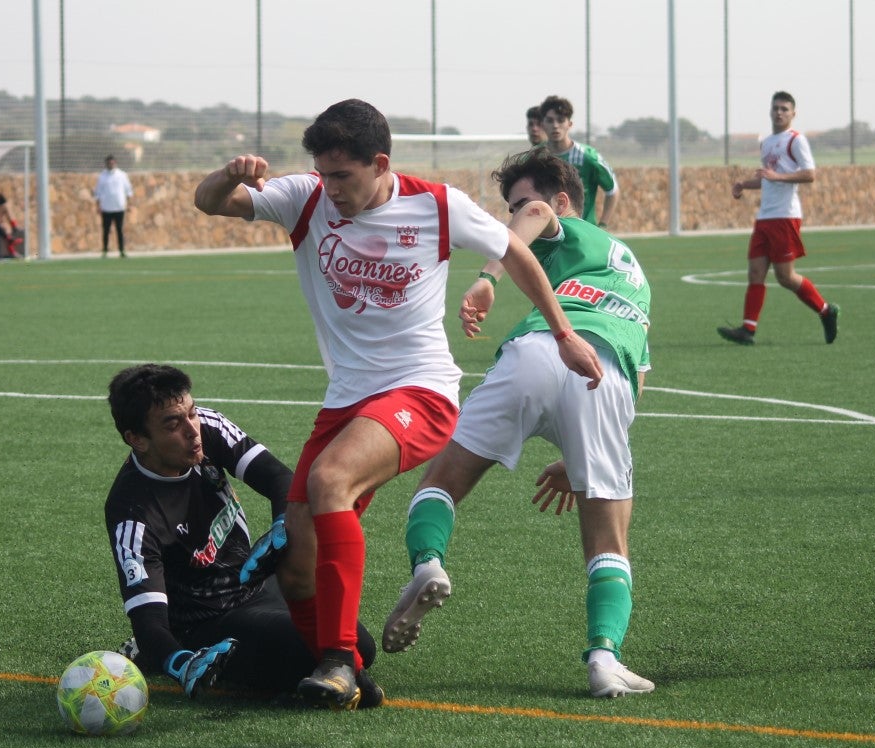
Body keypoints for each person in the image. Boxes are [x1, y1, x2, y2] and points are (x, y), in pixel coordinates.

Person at [194, 98, 603, 710]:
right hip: (345, 402)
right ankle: (354, 672)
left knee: (332, 479)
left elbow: (518, 251)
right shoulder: (306, 197)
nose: (330, 189)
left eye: (343, 176)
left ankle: (334, 659)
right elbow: (210, 202)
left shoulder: (435, 205)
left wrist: (565, 335)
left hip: (421, 392)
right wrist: (230, 174)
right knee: (297, 562)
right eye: (323, 174)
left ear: (379, 163)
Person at [382, 147, 654, 698]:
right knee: (609, 542)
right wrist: (575, 454)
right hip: (606, 376)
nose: (514, 213)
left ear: (561, 200)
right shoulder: (633, 271)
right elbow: (638, 374)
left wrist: (488, 278)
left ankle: (428, 563)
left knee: (441, 483)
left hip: (538, 350)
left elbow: (529, 222)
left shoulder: (561, 222)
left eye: (520, 202)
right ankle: (604, 658)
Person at [104, 363, 383, 703]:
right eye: (172, 425)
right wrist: (179, 662)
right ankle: (175, 653)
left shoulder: (208, 428)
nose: (192, 430)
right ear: (137, 439)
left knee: (357, 644)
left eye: (191, 413)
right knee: (332, 653)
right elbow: (147, 622)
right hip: (209, 620)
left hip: (255, 584)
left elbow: (281, 480)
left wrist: (282, 525)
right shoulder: (132, 513)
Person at [717, 91, 839, 346]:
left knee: (785, 277)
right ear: (770, 111)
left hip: (785, 217)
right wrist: (744, 184)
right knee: (755, 273)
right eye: (776, 108)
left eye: (785, 109)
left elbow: (809, 174)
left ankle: (826, 311)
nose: (780, 112)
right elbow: (767, 177)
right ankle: (747, 330)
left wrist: (778, 177)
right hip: (765, 219)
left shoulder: (796, 140)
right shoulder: (768, 142)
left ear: (793, 113)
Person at [538, 95, 617, 229]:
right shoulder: (536, 157)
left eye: (561, 120)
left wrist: (603, 225)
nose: (555, 126)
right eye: (550, 121)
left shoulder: (588, 157)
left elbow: (612, 190)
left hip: (583, 232)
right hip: (548, 233)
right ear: (542, 125)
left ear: (569, 124)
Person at [94, 154, 134, 258]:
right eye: (109, 162)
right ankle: (105, 251)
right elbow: (98, 192)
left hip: (119, 207)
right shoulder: (102, 176)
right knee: (106, 230)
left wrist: (128, 204)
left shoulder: (122, 175)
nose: (111, 164)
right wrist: (98, 206)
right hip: (106, 208)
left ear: (115, 163)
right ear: (106, 163)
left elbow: (128, 190)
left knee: (119, 230)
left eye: (112, 162)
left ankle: (121, 250)